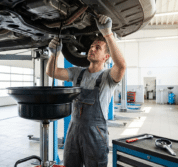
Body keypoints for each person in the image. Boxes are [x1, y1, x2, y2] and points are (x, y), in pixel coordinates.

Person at [46, 14, 126, 167]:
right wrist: (54, 54)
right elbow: (52, 72)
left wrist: (107, 34)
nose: (92, 49)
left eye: (98, 48)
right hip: (73, 131)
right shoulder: (78, 73)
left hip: (95, 134)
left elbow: (121, 66)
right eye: (91, 47)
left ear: (106, 56)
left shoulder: (108, 77)